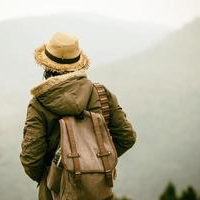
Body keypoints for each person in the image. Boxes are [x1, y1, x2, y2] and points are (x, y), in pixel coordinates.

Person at [20, 32, 136, 200]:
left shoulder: (38, 104)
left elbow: (31, 161)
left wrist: (58, 173)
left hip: (54, 194)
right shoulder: (102, 94)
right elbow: (127, 137)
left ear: (46, 67)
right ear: (78, 64)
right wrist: (94, 163)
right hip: (98, 192)